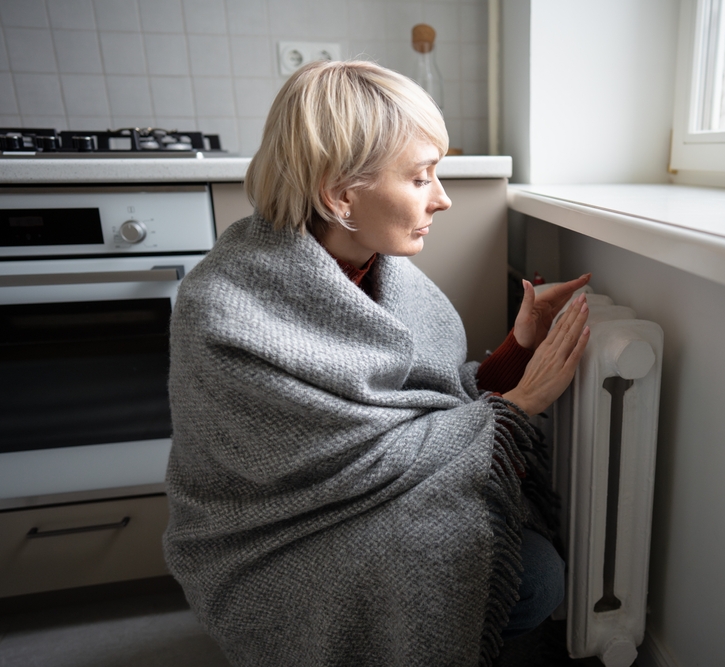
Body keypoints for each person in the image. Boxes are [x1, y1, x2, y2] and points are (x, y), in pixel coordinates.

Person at [163, 60, 591, 667]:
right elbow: (332, 461)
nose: (441, 199)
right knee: (529, 576)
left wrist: (517, 347)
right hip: (285, 535)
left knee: (526, 562)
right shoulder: (225, 307)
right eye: (421, 178)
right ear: (339, 194)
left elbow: (422, 401)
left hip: (364, 500)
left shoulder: (386, 273)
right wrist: (517, 409)